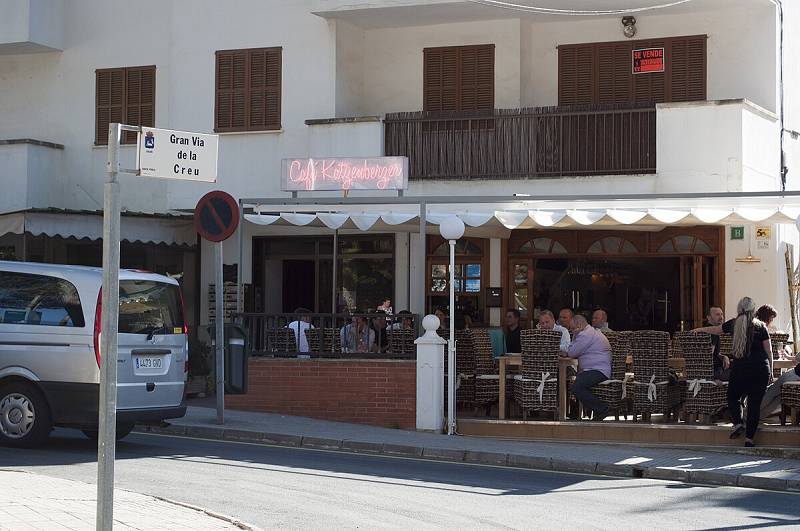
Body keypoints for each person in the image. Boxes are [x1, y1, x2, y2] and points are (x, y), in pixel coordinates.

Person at [696, 297, 773, 447]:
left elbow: (716, 330)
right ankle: (749, 439)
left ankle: (738, 423)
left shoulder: (733, 323)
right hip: (760, 369)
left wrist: (700, 329)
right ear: (753, 310)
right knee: (754, 404)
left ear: (739, 309)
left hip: (741, 368)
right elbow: (769, 351)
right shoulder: (761, 326)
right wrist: (771, 371)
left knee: (732, 396)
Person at [563, 314, 612, 421]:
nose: (571, 331)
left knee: (576, 387)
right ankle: (583, 412)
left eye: (572, 328)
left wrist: (574, 337)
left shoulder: (585, 335)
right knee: (578, 382)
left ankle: (602, 409)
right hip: (596, 370)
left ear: (579, 325)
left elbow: (572, 352)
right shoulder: (590, 332)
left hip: (598, 371)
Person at [701, 306, 730, 381]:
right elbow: (708, 355)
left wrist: (724, 356)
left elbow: (712, 353)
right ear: (709, 317)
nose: (721, 317)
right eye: (717, 315)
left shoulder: (705, 330)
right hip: (715, 372)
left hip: (705, 372)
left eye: (721, 314)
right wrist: (714, 378)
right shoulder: (713, 332)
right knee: (741, 373)